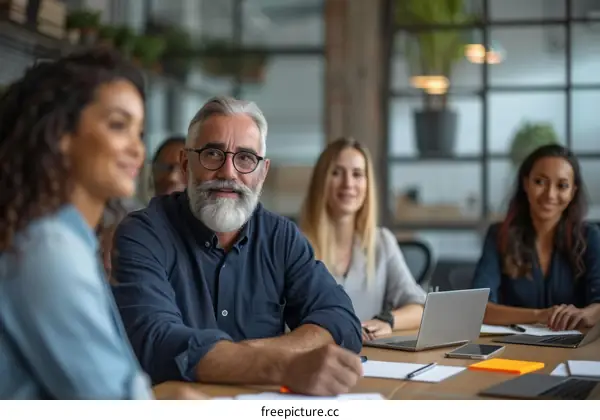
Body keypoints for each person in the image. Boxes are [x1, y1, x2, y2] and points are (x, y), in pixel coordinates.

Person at [111, 96, 363, 397]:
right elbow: (156, 340)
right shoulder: (142, 234)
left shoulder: (280, 237)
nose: (228, 173)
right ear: (185, 163)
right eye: (213, 153)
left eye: (245, 158)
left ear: (262, 172)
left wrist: (248, 353)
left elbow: (339, 319)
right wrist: (282, 365)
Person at [0, 48, 206, 400]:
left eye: (139, 132)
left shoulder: (64, 239)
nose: (137, 149)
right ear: (61, 133)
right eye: (118, 125)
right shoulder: (49, 248)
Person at [299, 138, 426, 341]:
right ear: (320, 181)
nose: (348, 183)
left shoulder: (382, 242)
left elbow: (419, 308)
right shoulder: (295, 245)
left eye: (357, 174)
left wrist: (387, 320)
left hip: (372, 360)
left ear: (367, 184)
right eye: (336, 173)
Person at [472, 144, 600, 331]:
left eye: (562, 186)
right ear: (526, 183)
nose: (550, 194)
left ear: (573, 192)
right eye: (540, 182)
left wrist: (587, 314)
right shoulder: (499, 235)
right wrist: (540, 315)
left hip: (577, 348)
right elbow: (478, 307)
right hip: (514, 349)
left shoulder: (590, 236)